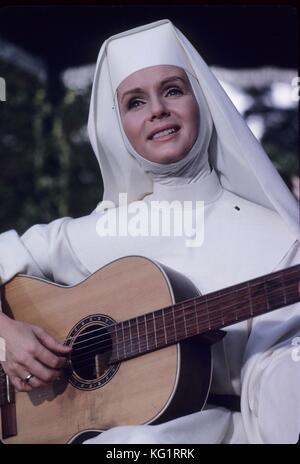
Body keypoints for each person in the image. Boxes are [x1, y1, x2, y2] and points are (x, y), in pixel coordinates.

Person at [0, 19, 299, 444]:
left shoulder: (278, 236)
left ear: (203, 102)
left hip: (224, 426)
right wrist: (6, 335)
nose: (157, 109)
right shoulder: (95, 232)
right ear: (119, 125)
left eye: (173, 90)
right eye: (135, 102)